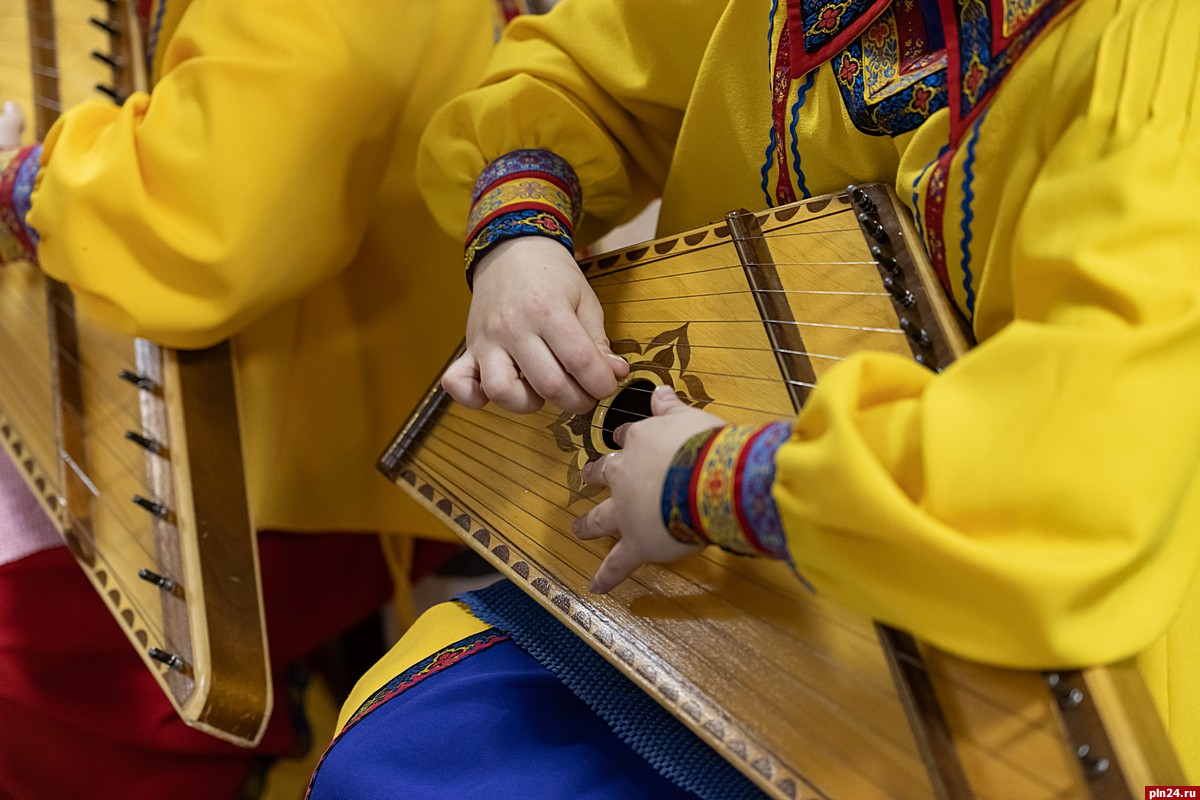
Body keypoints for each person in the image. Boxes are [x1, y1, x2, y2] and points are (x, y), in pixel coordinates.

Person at [311, 0, 1198, 790]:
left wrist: (714, 478)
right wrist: (519, 240)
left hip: (997, 607)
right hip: (712, 572)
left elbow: (1084, 472)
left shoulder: (1154, 50)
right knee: (403, 755)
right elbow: (587, 65)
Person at [0, 0, 517, 796]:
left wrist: (23, 189)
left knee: (39, 653)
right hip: (270, 365)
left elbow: (216, 215)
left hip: (310, 438)